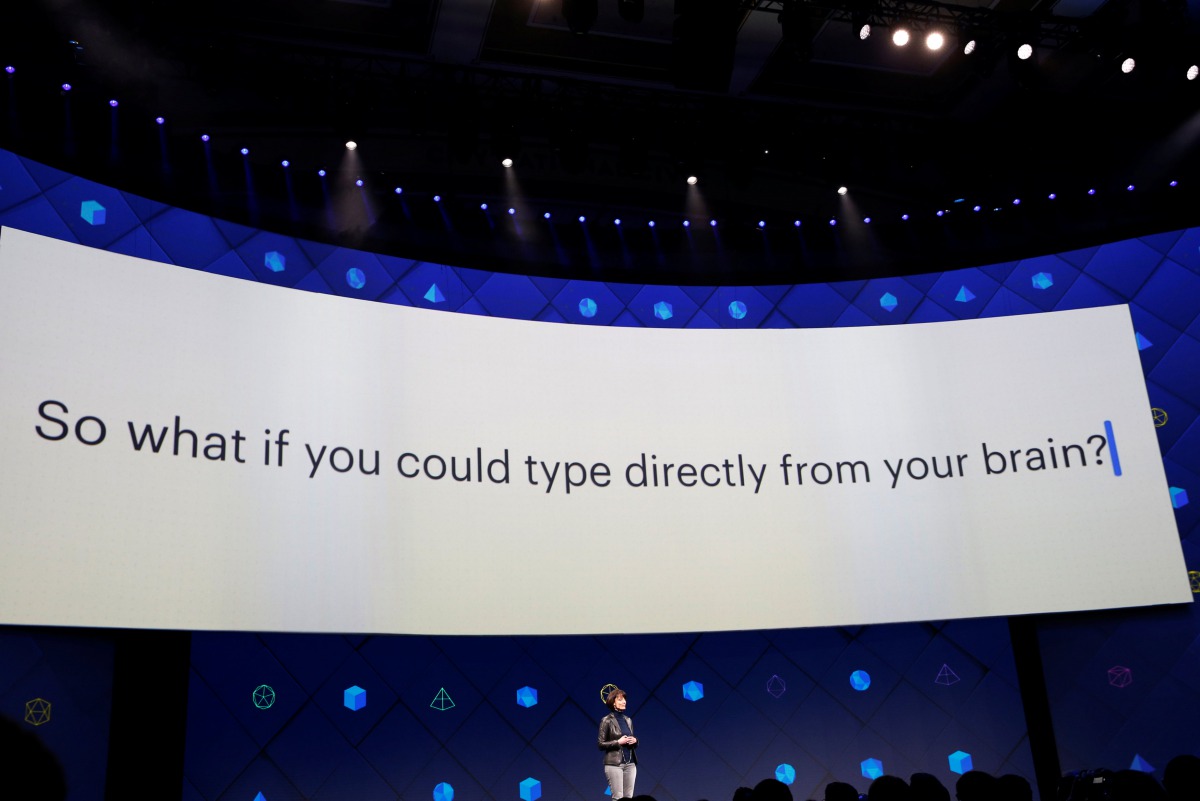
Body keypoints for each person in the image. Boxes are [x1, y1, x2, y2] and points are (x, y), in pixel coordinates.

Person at [599, 687, 639, 800]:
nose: (624, 702)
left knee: (629, 797)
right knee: (618, 798)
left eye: (624, 699)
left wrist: (635, 741)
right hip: (614, 764)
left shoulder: (628, 720)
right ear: (613, 703)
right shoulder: (606, 720)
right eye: (620, 699)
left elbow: (632, 739)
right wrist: (618, 742)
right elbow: (601, 744)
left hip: (630, 763)